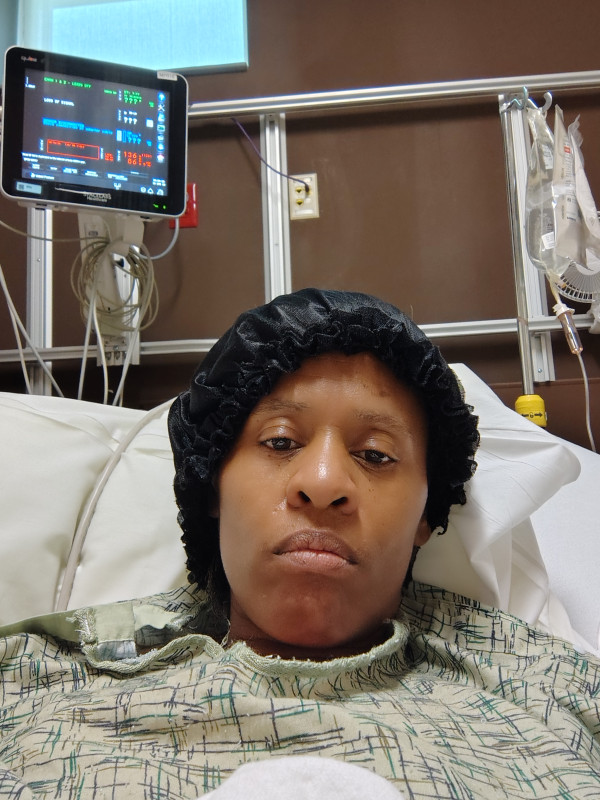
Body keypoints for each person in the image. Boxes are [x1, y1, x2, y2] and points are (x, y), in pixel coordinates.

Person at [0, 288, 599, 800]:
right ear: (212, 486)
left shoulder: (550, 693)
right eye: (281, 442)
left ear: (427, 514)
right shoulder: (33, 686)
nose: (324, 482)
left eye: (375, 455)